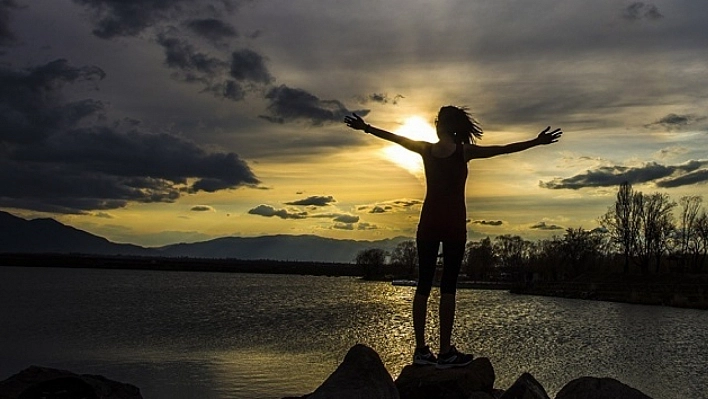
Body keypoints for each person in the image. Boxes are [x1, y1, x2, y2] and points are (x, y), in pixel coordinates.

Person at [344, 106, 562, 369]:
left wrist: (366, 128)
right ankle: (445, 352)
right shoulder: (463, 152)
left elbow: (394, 138)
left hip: (429, 222)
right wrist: (536, 142)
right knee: (448, 287)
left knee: (423, 284)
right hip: (454, 224)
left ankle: (421, 350)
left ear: (440, 126)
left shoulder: (426, 149)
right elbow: (503, 149)